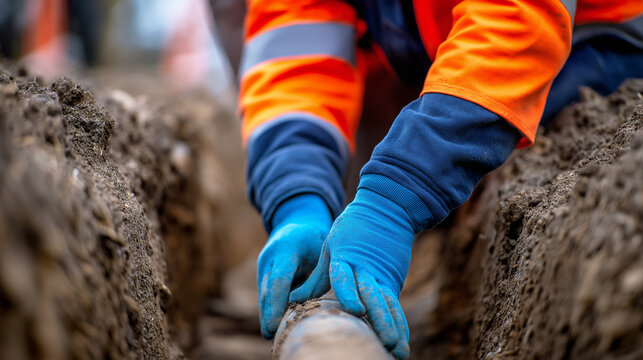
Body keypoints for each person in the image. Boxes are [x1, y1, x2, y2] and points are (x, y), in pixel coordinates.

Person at [238, 1, 643, 358]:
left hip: (600, 51)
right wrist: (297, 195)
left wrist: (393, 199)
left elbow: (515, 20)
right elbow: (293, 58)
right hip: (458, 57)